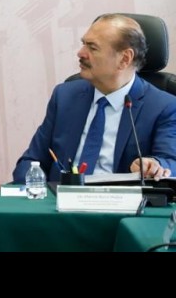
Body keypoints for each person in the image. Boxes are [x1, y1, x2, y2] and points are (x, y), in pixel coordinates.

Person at [12, 13, 176, 184]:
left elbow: (171, 162)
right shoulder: (65, 96)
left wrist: (154, 165)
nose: (80, 53)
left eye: (92, 47)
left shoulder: (164, 107)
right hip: (61, 197)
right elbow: (32, 160)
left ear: (124, 58)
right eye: (83, 44)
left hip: (120, 199)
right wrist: (30, 192)